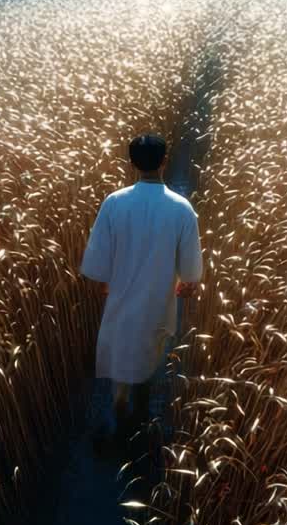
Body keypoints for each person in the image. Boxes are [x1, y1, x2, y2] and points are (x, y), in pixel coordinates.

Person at [81, 133, 203, 443]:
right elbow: (190, 270)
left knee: (121, 363)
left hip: (121, 303)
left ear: (131, 162)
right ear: (165, 161)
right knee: (151, 362)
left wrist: (110, 281)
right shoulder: (181, 208)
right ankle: (142, 423)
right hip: (159, 304)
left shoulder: (115, 202)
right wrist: (185, 284)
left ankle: (121, 421)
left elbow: (96, 265)